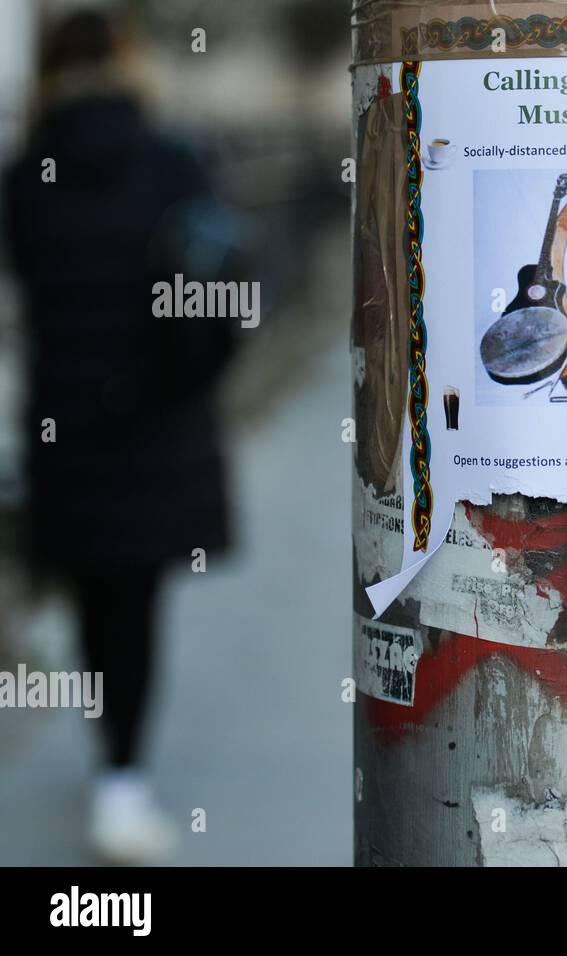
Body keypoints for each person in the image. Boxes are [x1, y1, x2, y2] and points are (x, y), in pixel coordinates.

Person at [2, 7, 235, 864]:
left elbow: (34, 286)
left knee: (95, 596)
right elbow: (218, 292)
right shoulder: (173, 161)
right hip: (156, 422)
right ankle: (122, 780)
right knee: (136, 606)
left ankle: (111, 757)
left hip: (66, 423)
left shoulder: (27, 176)